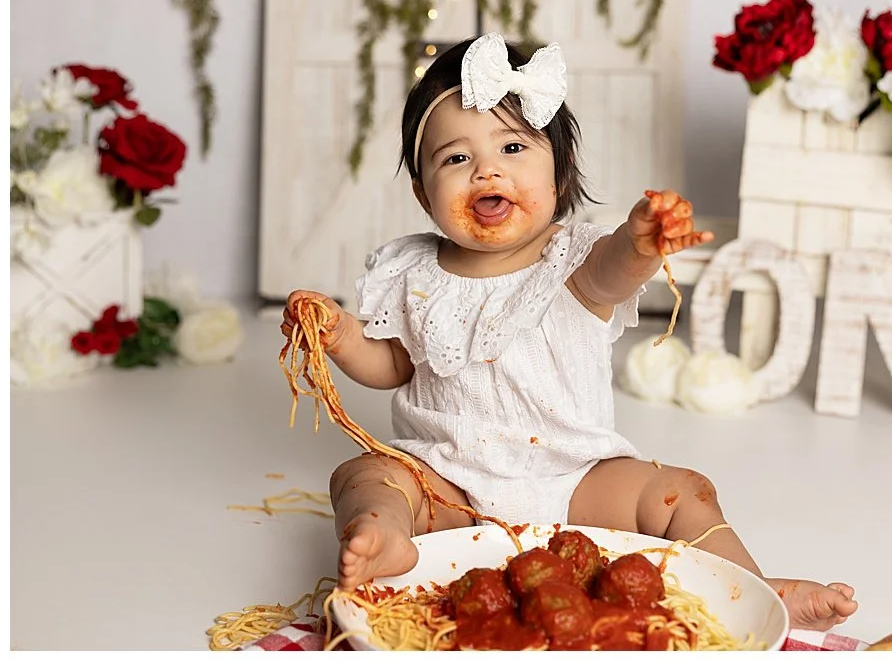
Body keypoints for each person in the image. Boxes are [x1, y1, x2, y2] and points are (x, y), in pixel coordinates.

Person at [283, 33, 858, 631]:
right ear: (423, 194)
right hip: (448, 482)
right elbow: (394, 365)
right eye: (455, 158)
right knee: (363, 475)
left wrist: (639, 244)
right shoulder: (412, 273)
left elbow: (613, 275)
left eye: (512, 147)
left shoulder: (572, 261)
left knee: (681, 492)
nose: (487, 170)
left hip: (575, 480)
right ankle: (389, 537)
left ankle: (757, 589)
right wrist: (341, 334)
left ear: (559, 176)